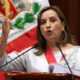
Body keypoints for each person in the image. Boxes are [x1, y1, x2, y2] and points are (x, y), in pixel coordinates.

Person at [0, 6, 80, 73]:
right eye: (43, 22)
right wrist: (4, 36)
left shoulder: (77, 53)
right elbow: (3, 64)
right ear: (40, 30)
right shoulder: (30, 54)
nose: (48, 25)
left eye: (52, 20)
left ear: (63, 25)